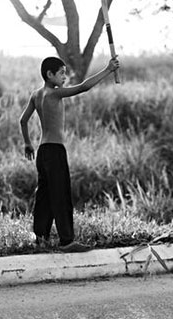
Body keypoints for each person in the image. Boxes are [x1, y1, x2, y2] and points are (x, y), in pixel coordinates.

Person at [19, 56, 120, 252]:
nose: (65, 77)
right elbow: (83, 87)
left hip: (42, 151)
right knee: (61, 195)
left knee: (45, 196)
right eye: (61, 73)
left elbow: (23, 121)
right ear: (50, 74)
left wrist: (27, 143)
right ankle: (66, 241)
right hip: (55, 151)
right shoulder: (54, 94)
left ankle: (41, 238)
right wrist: (108, 70)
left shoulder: (36, 94)